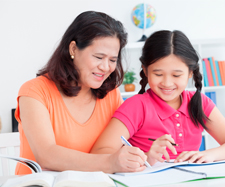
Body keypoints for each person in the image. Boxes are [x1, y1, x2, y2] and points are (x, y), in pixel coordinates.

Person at [15, 11, 148, 175]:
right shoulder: (34, 91)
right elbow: (46, 155)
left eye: (113, 60)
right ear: (73, 49)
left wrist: (149, 154)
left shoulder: (111, 95)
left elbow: (124, 143)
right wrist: (110, 162)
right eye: (99, 57)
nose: (106, 67)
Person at [91, 30, 225, 167]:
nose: (167, 83)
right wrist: (146, 158)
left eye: (176, 75)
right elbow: (99, 153)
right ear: (145, 70)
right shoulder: (137, 106)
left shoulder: (200, 103)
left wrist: (209, 154)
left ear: (190, 72)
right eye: (158, 74)